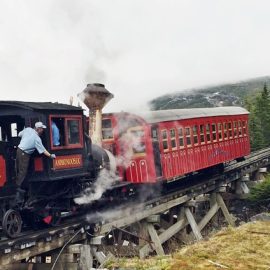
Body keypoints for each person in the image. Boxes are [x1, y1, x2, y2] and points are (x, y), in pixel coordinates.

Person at [16, 121, 56, 190]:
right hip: (24, 154)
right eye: (42, 128)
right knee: (23, 170)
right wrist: (50, 155)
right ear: (38, 129)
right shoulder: (37, 138)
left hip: (19, 150)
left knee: (18, 168)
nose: (43, 130)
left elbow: (19, 134)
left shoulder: (28, 129)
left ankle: (19, 184)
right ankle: (18, 187)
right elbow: (43, 150)